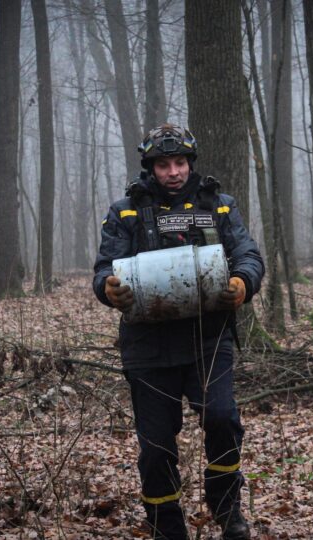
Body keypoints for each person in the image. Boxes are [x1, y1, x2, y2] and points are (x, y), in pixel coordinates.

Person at [92, 123, 264, 539]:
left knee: (223, 419)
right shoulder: (126, 211)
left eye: (180, 162)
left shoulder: (218, 205)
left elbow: (248, 254)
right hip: (147, 348)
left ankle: (227, 510)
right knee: (156, 447)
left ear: (191, 163)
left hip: (207, 340)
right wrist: (109, 290)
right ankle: (166, 525)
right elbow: (103, 272)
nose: (173, 171)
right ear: (151, 168)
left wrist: (242, 283)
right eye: (164, 164)